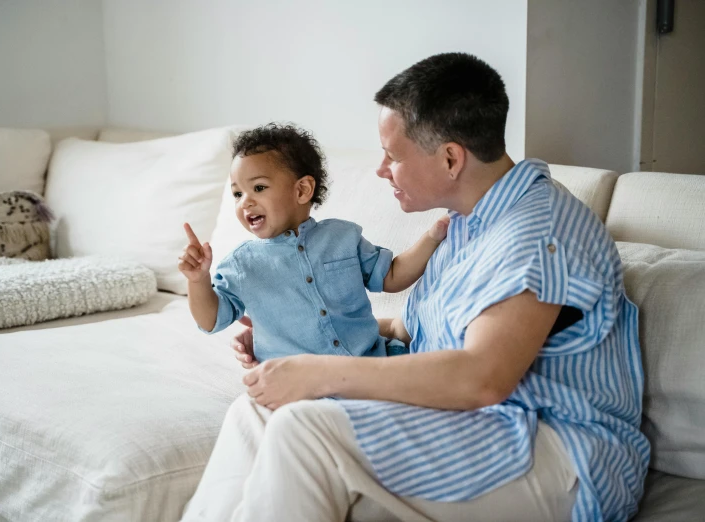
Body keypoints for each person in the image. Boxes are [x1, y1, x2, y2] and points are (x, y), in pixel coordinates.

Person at [182, 53, 650, 522]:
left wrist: (316, 370)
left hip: (554, 448)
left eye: (392, 155)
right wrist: (294, 334)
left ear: (450, 157)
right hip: (469, 421)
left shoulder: (535, 231)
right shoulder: (468, 223)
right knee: (255, 413)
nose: (382, 170)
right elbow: (414, 328)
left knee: (303, 429)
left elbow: (481, 377)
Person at [179, 123, 448, 363]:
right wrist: (198, 280)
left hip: (371, 364)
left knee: (432, 376)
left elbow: (391, 276)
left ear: (302, 190)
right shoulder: (241, 264)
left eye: (258, 188)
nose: (245, 201)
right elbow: (210, 321)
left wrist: (432, 237)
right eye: (237, 193)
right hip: (299, 385)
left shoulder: (343, 237)